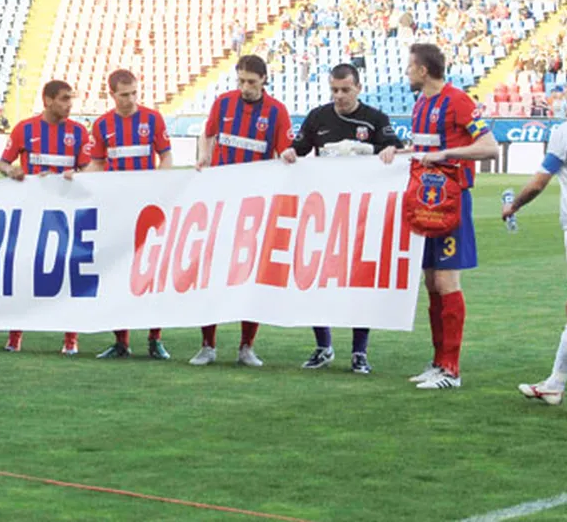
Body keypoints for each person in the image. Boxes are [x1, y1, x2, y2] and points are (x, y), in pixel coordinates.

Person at [380, 44, 497, 389]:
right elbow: (425, 151)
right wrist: (399, 151)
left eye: (410, 67)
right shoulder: (421, 104)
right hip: (426, 204)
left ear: (423, 70)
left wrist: (447, 153)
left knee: (447, 282)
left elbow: (489, 147)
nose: (406, 72)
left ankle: (451, 369)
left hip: (451, 202)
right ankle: (438, 361)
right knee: (432, 283)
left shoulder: (457, 100)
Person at [282, 62, 404, 374]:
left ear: (358, 88)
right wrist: (290, 153)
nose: (339, 96)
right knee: (316, 278)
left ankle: (359, 352)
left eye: (345, 90)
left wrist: (387, 150)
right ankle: (323, 346)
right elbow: (298, 149)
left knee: (359, 283)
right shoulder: (318, 117)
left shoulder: (375, 118)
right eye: (334, 90)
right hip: (325, 212)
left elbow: (395, 149)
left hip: (362, 213)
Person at [189, 55, 292, 368]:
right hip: (220, 202)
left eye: (251, 82)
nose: (245, 87)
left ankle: (247, 347)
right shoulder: (223, 103)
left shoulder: (276, 112)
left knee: (250, 276)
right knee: (212, 273)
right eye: (241, 81)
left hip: (255, 207)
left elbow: (283, 152)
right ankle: (208, 345)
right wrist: (204, 156)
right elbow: (207, 133)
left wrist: (289, 157)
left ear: (264, 80)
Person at [505, 71, 567, 405]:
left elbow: (539, 182)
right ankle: (555, 384)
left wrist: (513, 205)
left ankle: (555, 384)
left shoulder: (566, 132)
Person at [0, 80, 92, 356]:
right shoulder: (24, 129)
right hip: (31, 211)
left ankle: (71, 339)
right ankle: (15, 336)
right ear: (48, 100)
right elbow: (4, 162)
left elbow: (90, 169)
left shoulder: (78, 132)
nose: (69, 104)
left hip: (67, 213)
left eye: (70, 99)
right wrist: (12, 171)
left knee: (69, 271)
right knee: (23, 269)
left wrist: (76, 175)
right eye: (64, 99)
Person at [85, 69, 173, 360]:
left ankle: (155, 339)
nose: (131, 99)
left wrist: (160, 183)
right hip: (117, 207)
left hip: (148, 208)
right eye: (124, 95)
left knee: (152, 272)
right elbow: (97, 164)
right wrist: (75, 179)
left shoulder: (153, 119)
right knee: (116, 273)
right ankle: (121, 341)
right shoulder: (102, 124)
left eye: (135, 93)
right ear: (112, 95)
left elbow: (166, 156)